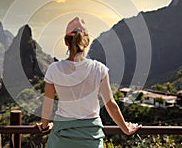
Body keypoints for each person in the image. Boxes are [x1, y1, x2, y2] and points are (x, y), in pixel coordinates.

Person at [37, 17, 141, 148]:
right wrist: (126, 128)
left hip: (61, 137)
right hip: (91, 137)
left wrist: (45, 126)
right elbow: (110, 104)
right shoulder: (99, 69)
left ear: (65, 42)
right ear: (87, 42)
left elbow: (48, 105)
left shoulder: (54, 69)